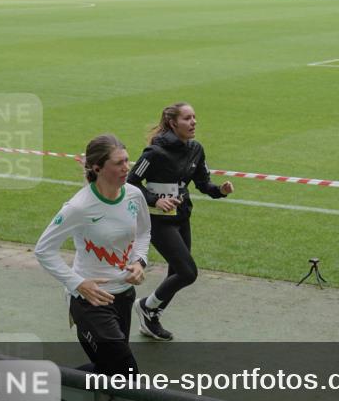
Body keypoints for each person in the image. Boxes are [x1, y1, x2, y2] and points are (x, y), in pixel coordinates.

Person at [34, 134, 151, 376]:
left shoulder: (134, 195)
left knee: (110, 371)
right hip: (90, 302)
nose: (126, 167)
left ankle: (57, 386)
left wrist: (140, 261)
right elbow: (44, 249)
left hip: (124, 296)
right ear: (97, 168)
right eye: (118, 163)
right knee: (126, 371)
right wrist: (77, 283)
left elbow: (143, 232)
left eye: (127, 160)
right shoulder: (79, 207)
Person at [127, 103, 234, 341]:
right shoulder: (154, 153)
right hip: (157, 221)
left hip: (182, 217)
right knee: (188, 272)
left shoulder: (196, 149)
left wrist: (221, 190)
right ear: (173, 123)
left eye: (195, 117)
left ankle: (152, 317)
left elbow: (203, 184)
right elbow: (130, 183)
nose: (194, 122)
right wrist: (155, 201)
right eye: (187, 118)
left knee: (176, 272)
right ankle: (146, 306)